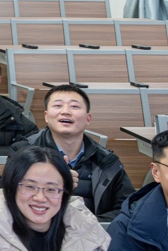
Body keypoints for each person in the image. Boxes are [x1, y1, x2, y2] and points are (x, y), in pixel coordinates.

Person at [14, 84, 134, 221]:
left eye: (74, 106)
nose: (65, 111)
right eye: (58, 106)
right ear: (46, 116)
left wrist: (88, 225)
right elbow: (7, 200)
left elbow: (127, 208)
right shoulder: (22, 153)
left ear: (88, 118)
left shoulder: (106, 160)